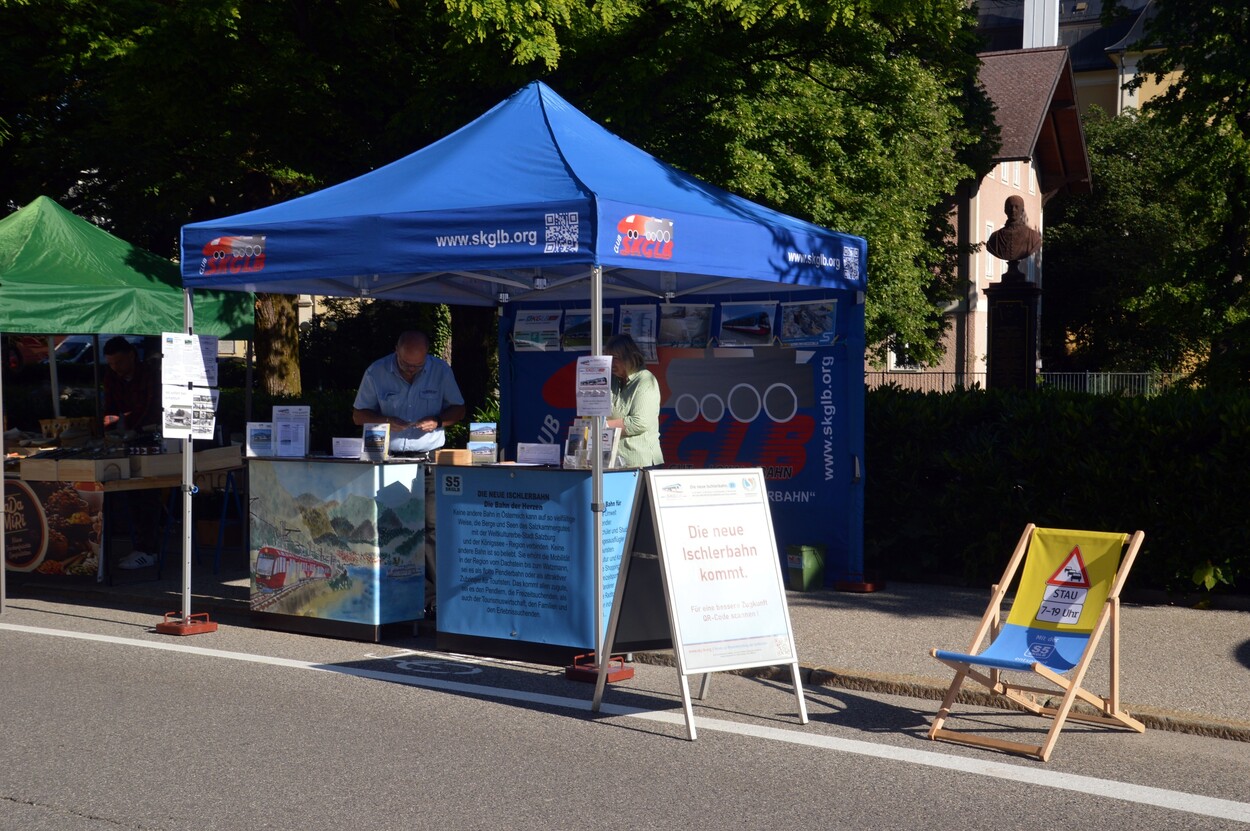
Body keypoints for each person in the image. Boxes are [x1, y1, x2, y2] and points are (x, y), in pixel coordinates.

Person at [352, 330, 465, 618]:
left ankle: (439, 598)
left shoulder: (440, 370)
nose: (411, 370)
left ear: (427, 355)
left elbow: (459, 409)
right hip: (390, 461)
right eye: (405, 364)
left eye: (417, 366)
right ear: (396, 352)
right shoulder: (376, 371)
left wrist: (438, 420)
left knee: (431, 530)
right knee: (395, 530)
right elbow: (358, 415)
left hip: (428, 461)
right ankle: (407, 597)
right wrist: (386, 420)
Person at [102, 336, 162, 569]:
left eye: (118, 362)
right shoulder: (111, 377)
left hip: (150, 440)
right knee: (129, 494)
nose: (114, 368)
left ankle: (149, 550)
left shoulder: (150, 375)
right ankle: (139, 546)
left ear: (131, 356)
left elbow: (150, 408)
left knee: (147, 494)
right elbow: (110, 408)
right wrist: (109, 431)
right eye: (110, 363)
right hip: (125, 441)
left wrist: (133, 429)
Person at [605, 333, 664, 468]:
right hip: (615, 462)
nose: (611, 363)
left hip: (641, 462)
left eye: (616, 358)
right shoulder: (612, 380)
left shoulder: (645, 380)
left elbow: (640, 422)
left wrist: (603, 427)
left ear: (629, 358)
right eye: (608, 358)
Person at [985, 194, 1043, 268]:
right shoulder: (995, 237)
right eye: (1010, 207)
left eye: (1016, 207)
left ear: (1022, 210)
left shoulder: (1033, 237)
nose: (1013, 210)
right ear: (1005, 210)